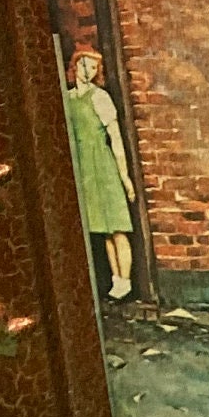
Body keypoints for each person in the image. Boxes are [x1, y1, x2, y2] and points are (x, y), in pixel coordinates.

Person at [63, 49, 138, 301]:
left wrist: (124, 177)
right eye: (84, 65)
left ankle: (126, 281)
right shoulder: (68, 98)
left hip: (103, 166)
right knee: (104, 230)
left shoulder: (100, 97)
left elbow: (115, 138)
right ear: (75, 66)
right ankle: (117, 280)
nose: (88, 71)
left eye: (93, 68)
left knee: (117, 226)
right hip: (84, 168)